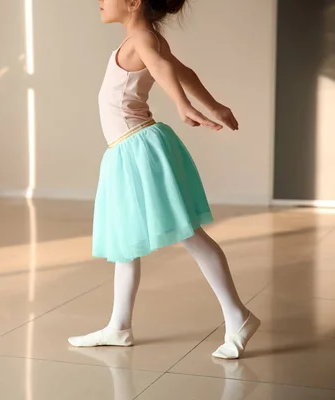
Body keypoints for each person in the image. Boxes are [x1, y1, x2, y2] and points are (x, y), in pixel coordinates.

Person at [67, 0, 260, 360]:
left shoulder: (142, 37)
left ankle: (238, 316)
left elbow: (162, 69)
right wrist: (212, 105)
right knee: (125, 241)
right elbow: (181, 70)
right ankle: (119, 326)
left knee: (188, 234)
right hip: (126, 152)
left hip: (138, 149)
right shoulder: (140, 39)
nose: (99, 1)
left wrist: (184, 105)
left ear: (133, 2)